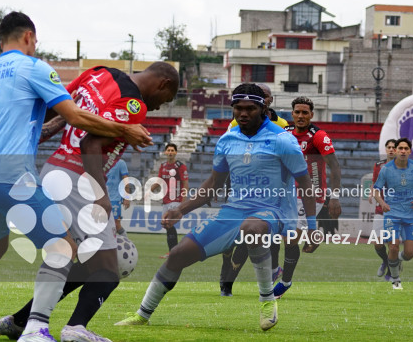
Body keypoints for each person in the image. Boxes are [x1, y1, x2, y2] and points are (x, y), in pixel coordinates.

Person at [0, 11, 153, 342]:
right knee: (63, 248)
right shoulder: (35, 67)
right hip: (12, 174)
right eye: (36, 40)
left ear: (1, 42)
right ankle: (36, 328)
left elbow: (35, 123)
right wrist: (124, 129)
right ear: (29, 37)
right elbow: (74, 116)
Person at [0, 62, 178, 342]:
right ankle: (75, 328)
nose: (155, 109)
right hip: (78, 180)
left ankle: (22, 321)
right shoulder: (133, 105)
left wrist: (45, 131)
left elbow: (65, 109)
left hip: (53, 169)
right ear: (163, 84)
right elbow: (89, 145)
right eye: (163, 101)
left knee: (76, 260)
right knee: (108, 268)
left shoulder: (98, 73)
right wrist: (102, 195)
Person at [115, 83, 313, 333]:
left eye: (250, 108)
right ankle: (142, 314)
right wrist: (181, 210)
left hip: (273, 211)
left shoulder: (283, 140)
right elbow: (214, 184)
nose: (243, 113)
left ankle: (266, 299)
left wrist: (313, 226)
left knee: (252, 227)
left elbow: (305, 183)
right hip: (234, 211)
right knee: (177, 254)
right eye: (238, 108)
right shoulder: (227, 140)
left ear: (263, 108)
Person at [272, 96, 342, 299]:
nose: (301, 116)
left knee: (290, 238)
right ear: (291, 114)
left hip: (311, 195)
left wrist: (334, 197)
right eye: (297, 112)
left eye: (305, 113)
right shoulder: (284, 134)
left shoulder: (318, 136)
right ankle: (313, 234)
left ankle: (285, 283)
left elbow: (335, 167)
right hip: (285, 194)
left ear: (312, 114)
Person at [219, 83, 285, 296]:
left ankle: (229, 283)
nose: (263, 100)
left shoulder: (281, 125)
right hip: (238, 190)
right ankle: (226, 275)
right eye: (260, 96)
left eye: (265, 97)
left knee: (250, 238)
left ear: (270, 100)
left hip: (266, 195)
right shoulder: (235, 123)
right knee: (230, 241)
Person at [373, 137, 413, 290]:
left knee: (409, 253)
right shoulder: (386, 169)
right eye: (400, 148)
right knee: (393, 247)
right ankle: (395, 279)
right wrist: (382, 203)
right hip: (392, 214)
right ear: (395, 151)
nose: (403, 151)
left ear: (410, 151)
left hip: (411, 214)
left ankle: (397, 261)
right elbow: (376, 190)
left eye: (406, 149)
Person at [370, 139, 397, 280]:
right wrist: (371, 193)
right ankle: (386, 261)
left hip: (396, 211)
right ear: (385, 149)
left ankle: (390, 272)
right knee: (377, 243)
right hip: (380, 209)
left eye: (394, 147)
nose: (391, 149)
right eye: (389, 147)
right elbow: (375, 183)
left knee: (392, 245)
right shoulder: (378, 165)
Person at [157, 143, 189, 255]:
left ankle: (173, 252)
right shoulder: (163, 165)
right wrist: (148, 191)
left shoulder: (180, 166)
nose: (170, 152)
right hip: (165, 200)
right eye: (168, 150)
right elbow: (159, 181)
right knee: (166, 225)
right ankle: (173, 251)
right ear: (165, 152)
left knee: (168, 223)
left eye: (172, 150)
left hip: (176, 200)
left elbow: (185, 184)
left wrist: (183, 201)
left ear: (175, 152)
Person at [105, 158, 131, 235]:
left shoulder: (120, 162)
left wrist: (126, 197)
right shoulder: (101, 161)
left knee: (116, 224)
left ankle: (127, 243)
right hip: (102, 198)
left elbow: (125, 180)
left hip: (114, 199)